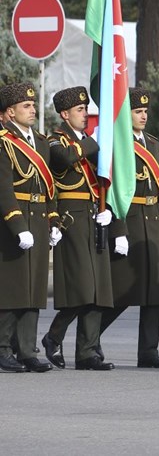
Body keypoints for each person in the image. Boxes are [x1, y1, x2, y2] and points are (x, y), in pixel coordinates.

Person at [42, 87, 116, 371]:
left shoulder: (88, 141)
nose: (86, 115)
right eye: (80, 110)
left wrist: (106, 209)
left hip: (93, 215)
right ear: (65, 114)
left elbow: (103, 174)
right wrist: (95, 142)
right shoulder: (54, 141)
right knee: (81, 287)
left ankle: (87, 353)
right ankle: (54, 336)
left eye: (86, 109)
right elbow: (64, 160)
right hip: (70, 219)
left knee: (98, 289)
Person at [100, 88, 159, 368]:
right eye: (137, 111)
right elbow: (112, 191)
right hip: (130, 221)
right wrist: (117, 229)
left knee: (154, 292)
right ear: (125, 114)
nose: (143, 116)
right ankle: (90, 339)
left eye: (145, 111)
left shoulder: (153, 143)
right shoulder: (118, 145)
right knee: (123, 291)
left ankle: (149, 351)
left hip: (152, 221)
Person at [0, 82, 59, 373]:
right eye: (26, 106)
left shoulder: (41, 141)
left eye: (34, 105)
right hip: (16, 220)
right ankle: (2, 349)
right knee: (13, 288)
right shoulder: (3, 141)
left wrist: (52, 220)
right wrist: (17, 224)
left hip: (38, 217)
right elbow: (4, 188)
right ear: (10, 112)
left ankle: (26, 350)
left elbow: (49, 189)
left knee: (34, 288)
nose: (33, 109)